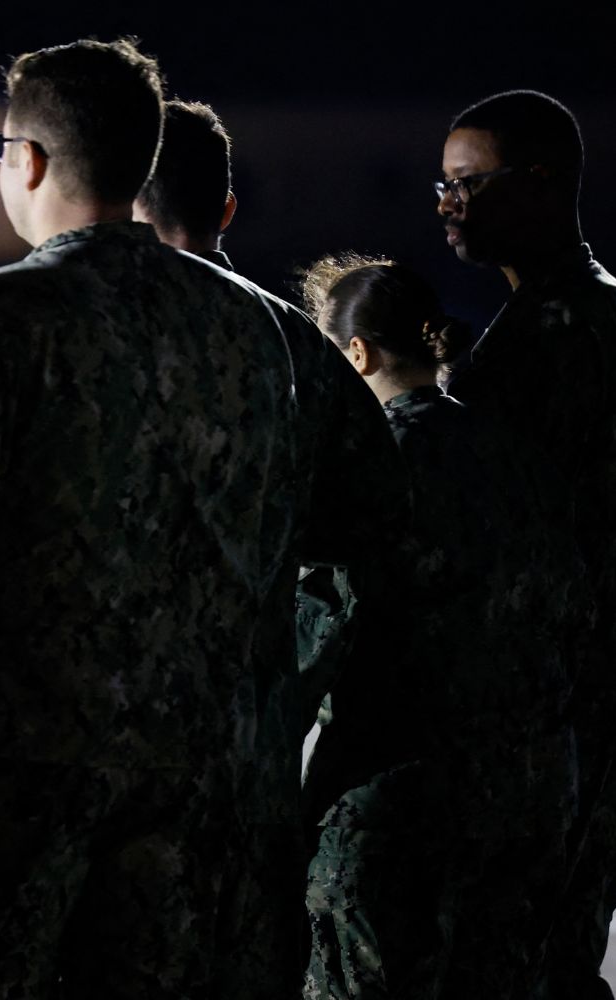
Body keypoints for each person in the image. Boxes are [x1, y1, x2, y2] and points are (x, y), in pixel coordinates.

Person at [0, 39, 387, 998]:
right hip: (216, 803)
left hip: (30, 795)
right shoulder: (262, 327)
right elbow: (370, 519)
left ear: (26, 161)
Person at [135, 98, 406, 998]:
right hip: (248, 764)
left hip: (104, 766)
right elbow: (365, 535)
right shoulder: (292, 343)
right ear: (226, 211)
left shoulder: (55, 326)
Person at [299, 255, 578, 998]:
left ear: (354, 355)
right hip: (523, 798)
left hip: (396, 812)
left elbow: (313, 639)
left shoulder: (369, 465)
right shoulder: (516, 453)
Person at [435, 89, 616, 999]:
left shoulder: (575, 330)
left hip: (560, 709)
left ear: (540, 185)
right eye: (443, 185)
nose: (448, 205)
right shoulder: (536, 322)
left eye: (469, 183)